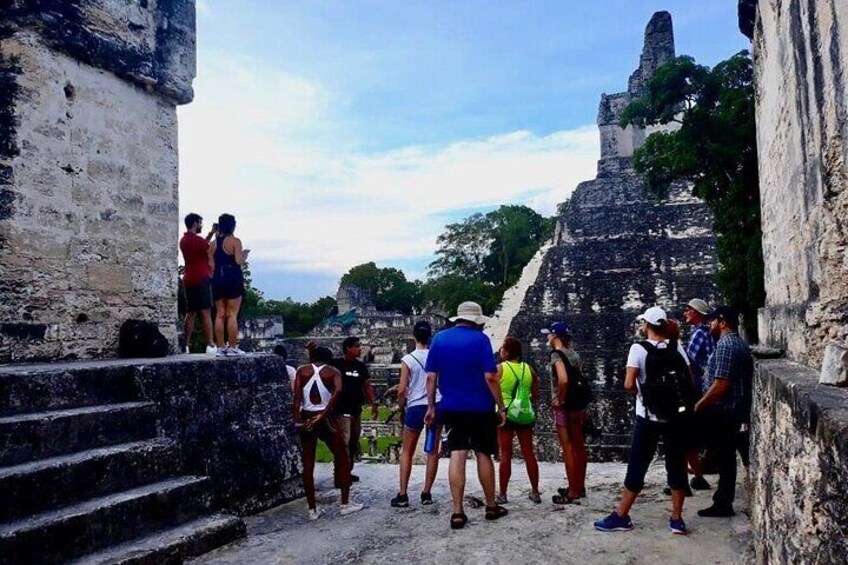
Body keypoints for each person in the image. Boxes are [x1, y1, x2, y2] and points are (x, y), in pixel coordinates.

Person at [594, 306, 692, 535]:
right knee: (676, 466)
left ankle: (621, 515)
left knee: (638, 464)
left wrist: (643, 388)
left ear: (646, 325)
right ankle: (676, 519)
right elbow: (689, 378)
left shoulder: (638, 349)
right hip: (675, 417)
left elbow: (628, 384)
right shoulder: (677, 346)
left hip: (648, 417)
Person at [424, 301, 507, 530]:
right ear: (476, 320)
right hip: (480, 406)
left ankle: (458, 511)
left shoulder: (440, 339)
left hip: (451, 406)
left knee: (457, 454)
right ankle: (491, 506)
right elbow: (490, 377)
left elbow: (431, 377)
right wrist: (501, 406)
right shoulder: (481, 340)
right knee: (483, 453)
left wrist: (431, 406)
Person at [694, 305, 753, 518]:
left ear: (722, 321)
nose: (709, 325)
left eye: (711, 321)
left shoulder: (727, 345)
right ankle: (721, 499)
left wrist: (700, 405)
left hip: (724, 411)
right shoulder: (734, 343)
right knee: (724, 456)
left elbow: (721, 384)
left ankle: (722, 502)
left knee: (724, 457)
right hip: (731, 410)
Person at [292, 345, 363, 520]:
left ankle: (312, 509)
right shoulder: (332, 372)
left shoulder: (302, 371)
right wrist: (323, 414)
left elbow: (297, 397)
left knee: (308, 463)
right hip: (326, 418)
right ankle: (345, 503)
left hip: (307, 415)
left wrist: (297, 420)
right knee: (343, 458)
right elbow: (338, 390)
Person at [391, 321, 442, 507]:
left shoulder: (408, 359)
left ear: (414, 337)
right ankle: (427, 493)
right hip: (436, 405)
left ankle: (403, 494)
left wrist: (400, 406)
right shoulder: (437, 356)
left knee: (407, 452)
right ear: (430, 336)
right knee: (433, 452)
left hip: (415, 406)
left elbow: (402, 389)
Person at [544, 322, 588, 505]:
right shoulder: (574, 354)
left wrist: (559, 399)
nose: (547, 338)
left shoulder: (556, 355)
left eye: (549, 335)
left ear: (555, 336)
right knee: (579, 445)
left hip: (564, 407)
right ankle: (579, 485)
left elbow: (562, 380)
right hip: (578, 404)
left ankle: (572, 491)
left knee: (567, 447)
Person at [495, 336, 541, 504]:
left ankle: (503, 494)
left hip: (505, 414)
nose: (500, 351)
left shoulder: (500, 369)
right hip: (524, 413)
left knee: (506, 454)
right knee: (529, 452)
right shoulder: (529, 369)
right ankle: (535, 492)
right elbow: (536, 395)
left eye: (502, 348)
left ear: (507, 352)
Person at [332, 336, 378, 483]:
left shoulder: (360, 367)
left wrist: (374, 403)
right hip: (341, 411)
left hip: (356, 410)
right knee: (343, 444)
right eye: (357, 346)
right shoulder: (336, 365)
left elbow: (367, 385)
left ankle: (347, 470)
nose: (360, 349)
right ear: (348, 348)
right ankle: (339, 474)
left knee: (353, 443)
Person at [208, 213, 248, 356]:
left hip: (218, 279)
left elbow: (211, 265)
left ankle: (220, 347)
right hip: (233, 278)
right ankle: (232, 347)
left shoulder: (213, 244)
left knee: (220, 314)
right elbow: (238, 261)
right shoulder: (235, 241)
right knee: (232, 314)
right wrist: (244, 256)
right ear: (232, 226)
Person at [179, 213, 217, 354]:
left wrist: (210, 234)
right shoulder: (198, 241)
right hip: (201, 277)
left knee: (191, 313)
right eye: (200, 223)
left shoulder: (184, 240)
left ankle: (185, 345)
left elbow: (202, 246)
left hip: (189, 278)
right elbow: (209, 249)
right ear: (195, 223)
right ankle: (211, 344)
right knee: (205, 312)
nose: (201, 225)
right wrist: (216, 236)